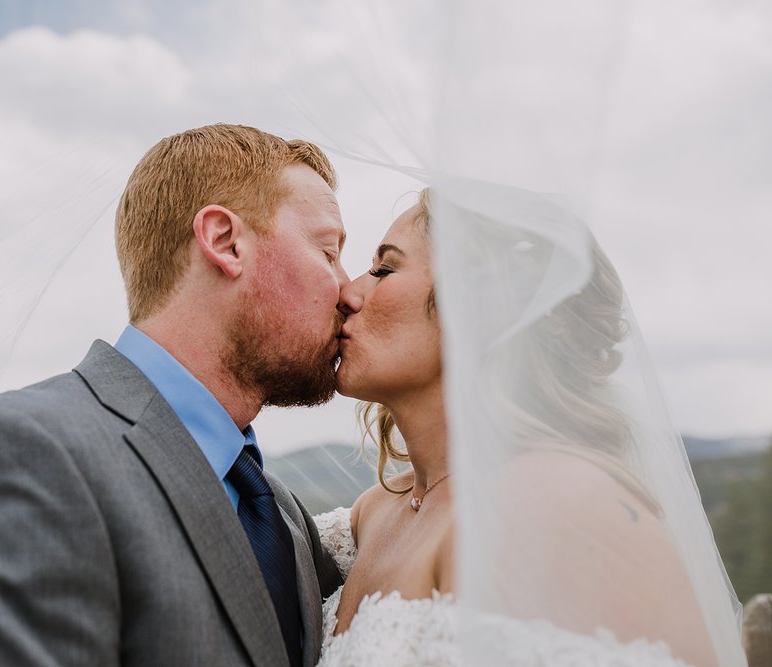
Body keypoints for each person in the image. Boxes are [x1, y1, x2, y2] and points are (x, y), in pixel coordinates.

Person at [0, 123, 346, 667]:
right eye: (328, 252)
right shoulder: (20, 456)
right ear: (226, 243)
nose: (348, 289)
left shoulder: (280, 512)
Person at [313, 187, 744, 666]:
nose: (348, 293)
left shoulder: (556, 507)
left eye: (385, 269)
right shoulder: (371, 517)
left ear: (481, 310)